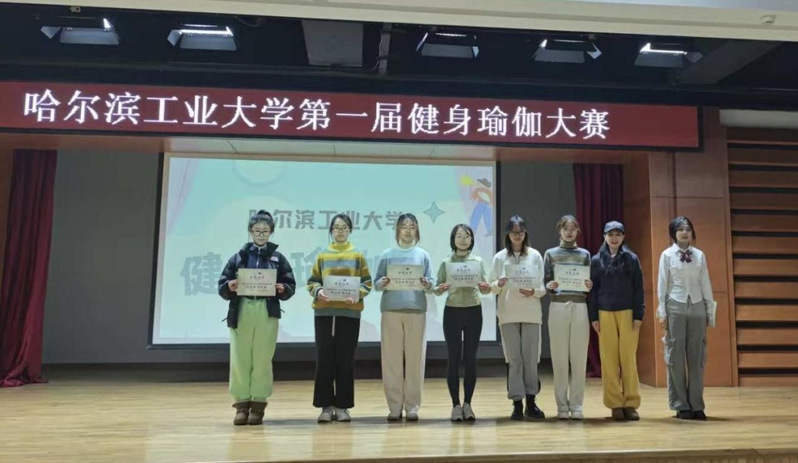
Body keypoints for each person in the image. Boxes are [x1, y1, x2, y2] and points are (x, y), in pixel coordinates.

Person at [218, 210, 296, 425]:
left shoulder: (278, 258)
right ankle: (241, 404)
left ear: (271, 232)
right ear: (250, 232)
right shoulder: (239, 257)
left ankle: (259, 404)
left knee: (262, 357)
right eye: (257, 231)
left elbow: (290, 285)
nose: (261, 235)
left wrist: (283, 289)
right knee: (240, 357)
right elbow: (222, 284)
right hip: (242, 308)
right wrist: (230, 285)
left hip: (266, 311)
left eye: (265, 231)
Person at [307, 213, 373, 423]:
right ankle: (325, 406)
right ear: (331, 231)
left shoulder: (358, 255)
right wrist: (319, 292)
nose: (340, 231)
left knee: (345, 360)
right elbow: (312, 282)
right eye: (336, 227)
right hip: (324, 314)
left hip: (349, 313)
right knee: (324, 359)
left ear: (350, 230)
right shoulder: (322, 255)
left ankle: (343, 406)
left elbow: (367, 283)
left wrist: (357, 294)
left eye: (344, 227)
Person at [374, 213, 434, 422]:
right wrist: (382, 282)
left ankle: (412, 406)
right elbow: (376, 283)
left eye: (412, 226)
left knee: (416, 360)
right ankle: (394, 406)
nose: (408, 230)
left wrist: (427, 283)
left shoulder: (423, 255)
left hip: (416, 310)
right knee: (391, 360)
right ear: (397, 230)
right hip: (391, 311)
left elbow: (432, 284)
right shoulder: (387, 255)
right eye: (404, 226)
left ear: (417, 230)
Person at [657, 216, 715, 421]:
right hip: (675, 305)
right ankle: (681, 405)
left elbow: (705, 283)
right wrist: (662, 312)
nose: (684, 232)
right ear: (673, 233)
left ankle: (697, 404)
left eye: (688, 229)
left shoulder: (699, 255)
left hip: (697, 306)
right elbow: (662, 284)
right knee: (675, 356)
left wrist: (709, 310)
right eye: (680, 229)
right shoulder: (666, 255)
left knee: (697, 356)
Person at [489, 215, 546, 420]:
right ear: (507, 234)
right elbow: (491, 286)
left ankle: (531, 402)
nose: (517, 235)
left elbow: (542, 286)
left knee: (531, 359)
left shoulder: (535, 255)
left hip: (531, 313)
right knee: (514, 360)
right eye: (513, 232)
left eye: (520, 231)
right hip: (508, 313)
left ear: (525, 233)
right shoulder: (499, 257)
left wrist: (534, 292)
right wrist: (499, 283)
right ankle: (516, 403)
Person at [434, 223, 491, 422]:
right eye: (459, 236)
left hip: (474, 310)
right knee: (453, 358)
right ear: (453, 239)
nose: (463, 239)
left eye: (466, 236)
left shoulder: (478, 261)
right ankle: (455, 405)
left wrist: (486, 288)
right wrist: (440, 288)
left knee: (470, 358)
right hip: (452, 311)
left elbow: (485, 287)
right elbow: (436, 289)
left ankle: (468, 404)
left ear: (472, 239)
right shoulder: (446, 262)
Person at [589, 221, 644, 421]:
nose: (614, 238)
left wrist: (638, 315)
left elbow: (639, 288)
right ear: (604, 236)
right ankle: (614, 404)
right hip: (604, 313)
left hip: (628, 312)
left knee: (628, 358)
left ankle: (631, 403)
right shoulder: (596, 260)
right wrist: (593, 316)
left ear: (623, 237)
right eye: (610, 234)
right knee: (609, 359)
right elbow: (592, 291)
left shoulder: (631, 258)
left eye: (618, 234)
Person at [544, 215, 593, 420]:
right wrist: (550, 285)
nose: (569, 232)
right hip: (558, 306)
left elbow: (588, 282)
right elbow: (546, 281)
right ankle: (562, 406)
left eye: (573, 228)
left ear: (578, 231)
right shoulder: (551, 254)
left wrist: (589, 285)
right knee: (559, 358)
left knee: (579, 359)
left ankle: (577, 405)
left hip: (580, 306)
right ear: (560, 231)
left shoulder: (584, 254)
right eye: (565, 228)